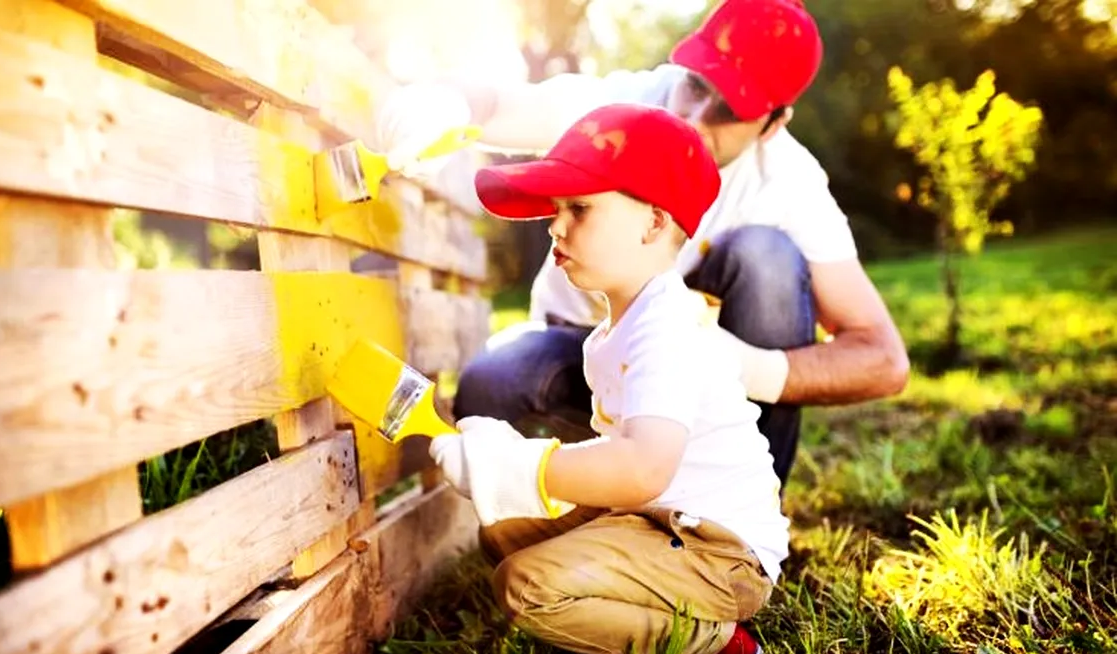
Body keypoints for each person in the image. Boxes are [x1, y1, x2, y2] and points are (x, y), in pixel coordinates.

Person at [375, 0, 910, 490]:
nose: (696, 120)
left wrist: (743, 367)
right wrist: (447, 101)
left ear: (773, 123)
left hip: (709, 391)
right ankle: (589, 501)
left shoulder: (788, 185)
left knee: (766, 257)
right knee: (493, 384)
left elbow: (882, 358)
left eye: (729, 108)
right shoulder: (624, 108)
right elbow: (499, 104)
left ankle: (738, 517)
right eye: (696, 85)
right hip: (582, 349)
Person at [429, 101, 787, 654]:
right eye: (556, 208)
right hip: (657, 519)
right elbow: (621, 475)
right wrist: (501, 463)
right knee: (503, 532)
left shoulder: (665, 327)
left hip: (719, 552)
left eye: (580, 208)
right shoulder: (612, 334)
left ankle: (715, 648)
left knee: (524, 585)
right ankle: (627, 624)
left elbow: (642, 469)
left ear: (653, 222)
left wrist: (525, 468)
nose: (555, 225)